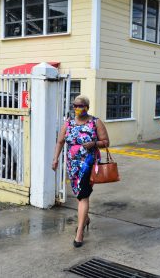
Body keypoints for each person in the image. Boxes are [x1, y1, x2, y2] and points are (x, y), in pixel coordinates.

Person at [52, 95, 109, 248]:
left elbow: (106, 142)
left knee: (83, 196)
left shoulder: (95, 122)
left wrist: (94, 143)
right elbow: (60, 142)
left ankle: (79, 233)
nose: (77, 108)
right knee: (79, 195)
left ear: (87, 107)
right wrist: (55, 159)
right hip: (72, 166)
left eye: (80, 105)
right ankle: (86, 219)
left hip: (89, 165)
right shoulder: (68, 124)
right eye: (75, 105)